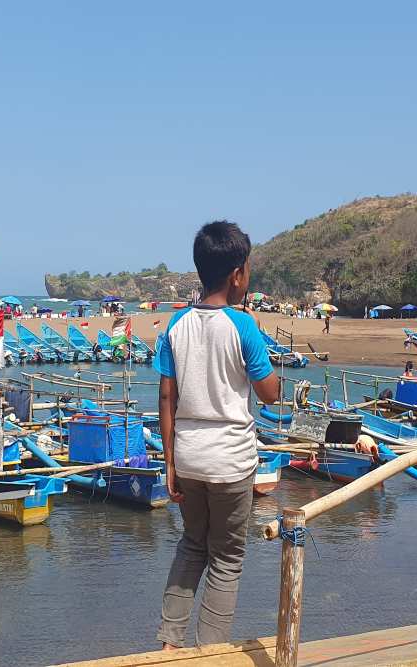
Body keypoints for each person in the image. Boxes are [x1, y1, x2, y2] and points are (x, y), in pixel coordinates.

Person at [156, 220, 280, 649]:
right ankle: (211, 653)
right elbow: (271, 395)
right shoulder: (243, 327)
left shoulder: (174, 326)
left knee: (192, 544)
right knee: (227, 559)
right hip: (230, 461)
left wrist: (169, 463)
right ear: (237, 275)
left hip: (188, 457)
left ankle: (170, 643)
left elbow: (166, 399)